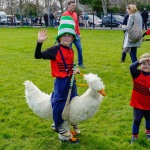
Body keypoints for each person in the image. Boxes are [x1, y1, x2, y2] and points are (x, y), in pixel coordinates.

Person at [34, 16, 80, 138]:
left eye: (69, 36)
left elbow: (70, 64)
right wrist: (40, 42)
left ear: (72, 38)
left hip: (71, 79)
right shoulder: (55, 49)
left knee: (73, 99)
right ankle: (57, 124)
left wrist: (75, 69)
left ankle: (72, 120)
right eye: (64, 35)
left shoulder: (71, 50)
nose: (67, 38)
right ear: (59, 37)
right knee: (59, 101)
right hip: (61, 81)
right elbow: (37, 56)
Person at [129, 53, 150, 143]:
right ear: (140, 64)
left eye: (149, 64)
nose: (146, 65)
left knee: (149, 119)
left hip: (148, 104)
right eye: (144, 63)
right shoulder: (137, 73)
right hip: (137, 104)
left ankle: (148, 133)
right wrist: (139, 61)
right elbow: (131, 67)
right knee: (137, 120)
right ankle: (134, 136)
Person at [62, 0, 85, 68]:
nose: (74, 7)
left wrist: (79, 33)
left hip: (76, 35)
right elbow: (62, 25)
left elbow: (76, 24)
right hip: (68, 36)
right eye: (72, 6)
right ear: (68, 6)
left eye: (74, 6)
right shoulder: (65, 14)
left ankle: (80, 64)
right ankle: (70, 64)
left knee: (79, 49)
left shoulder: (75, 14)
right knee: (69, 50)